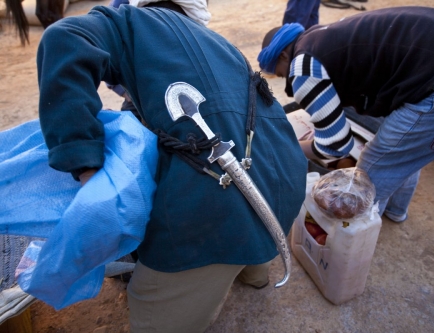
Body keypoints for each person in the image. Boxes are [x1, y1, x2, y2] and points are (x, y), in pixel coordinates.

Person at [36, 0, 307, 331]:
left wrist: (86, 167)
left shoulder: (126, 23)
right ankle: (255, 273)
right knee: (255, 237)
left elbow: (64, 36)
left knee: (151, 306)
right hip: (286, 180)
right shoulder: (222, 44)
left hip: (219, 210)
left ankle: (212, 277)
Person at [258, 6, 434, 223]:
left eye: (280, 74)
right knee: (405, 148)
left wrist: (290, 147)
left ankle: (354, 238)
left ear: (283, 56)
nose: (286, 82)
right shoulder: (322, 36)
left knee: (368, 175)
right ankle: (395, 212)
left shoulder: (303, 67)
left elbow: (336, 145)